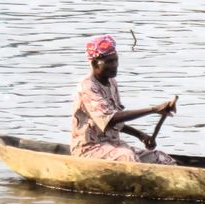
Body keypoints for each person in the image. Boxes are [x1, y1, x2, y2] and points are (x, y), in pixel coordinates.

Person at [71, 35, 178, 165]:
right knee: (127, 157)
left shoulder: (112, 83)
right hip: (89, 149)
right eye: (109, 62)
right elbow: (111, 118)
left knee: (161, 158)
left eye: (116, 60)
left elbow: (116, 121)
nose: (114, 65)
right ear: (94, 63)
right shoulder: (87, 86)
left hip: (114, 146)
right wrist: (153, 109)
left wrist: (141, 136)